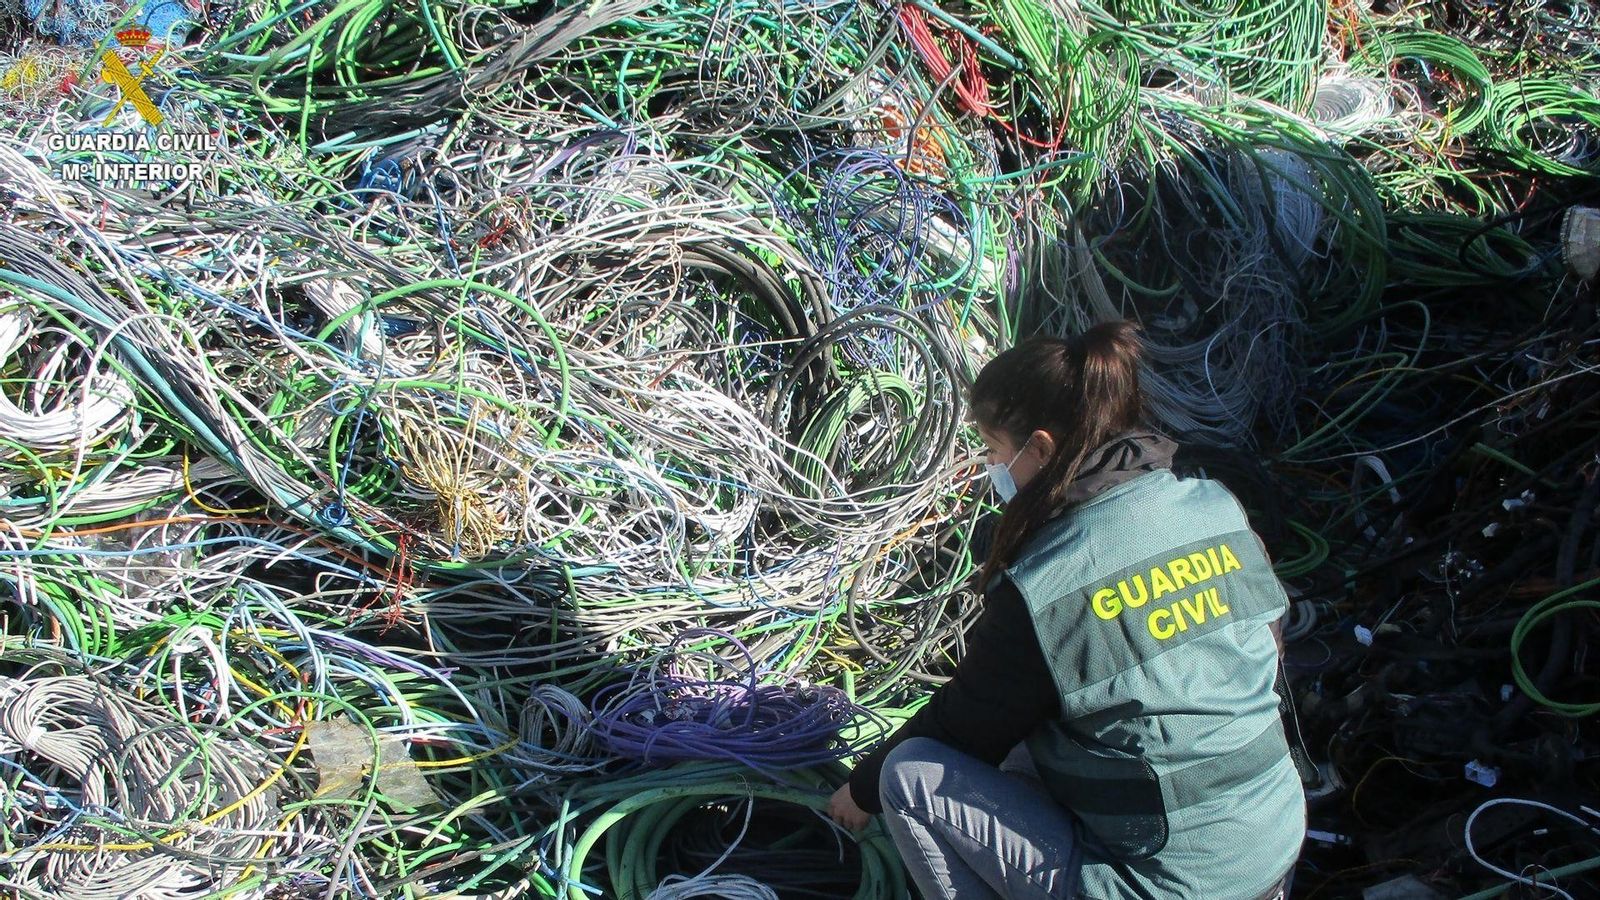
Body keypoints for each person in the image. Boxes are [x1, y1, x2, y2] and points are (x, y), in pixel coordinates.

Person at [827, 321, 1307, 899]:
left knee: (907, 776)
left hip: (1171, 884)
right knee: (1033, 738)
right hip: (1274, 839)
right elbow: (1268, 650)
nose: (989, 467)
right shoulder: (1212, 507)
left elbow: (964, 727)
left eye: (993, 449)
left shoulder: (1048, 586)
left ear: (1040, 449)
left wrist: (862, 788)